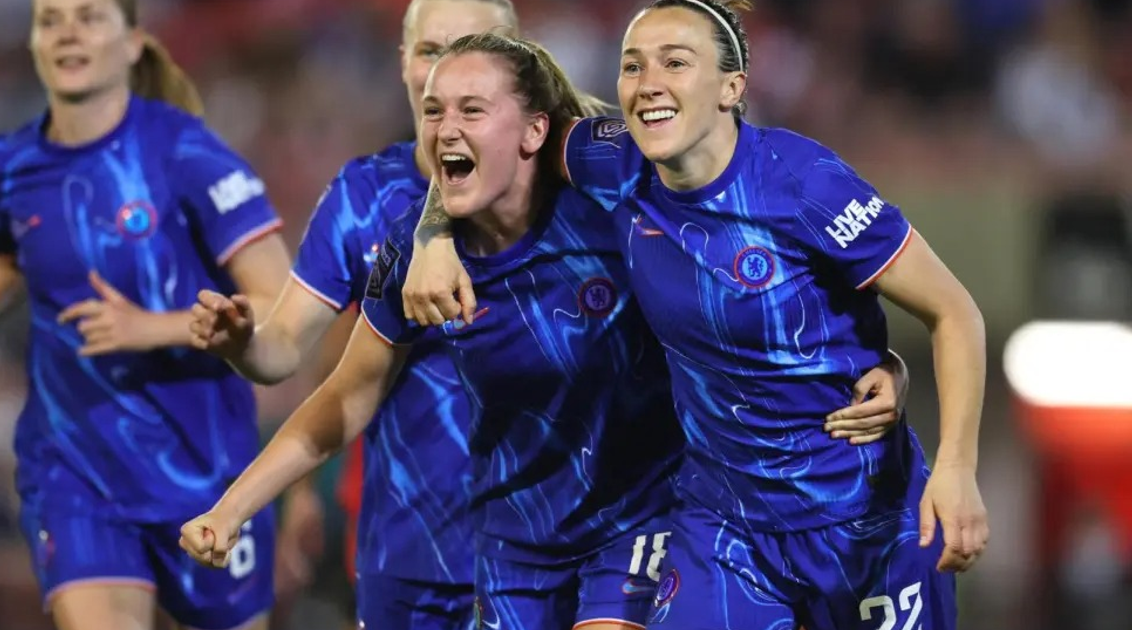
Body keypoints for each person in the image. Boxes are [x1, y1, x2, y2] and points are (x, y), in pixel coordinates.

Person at [181, 32, 909, 630]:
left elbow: (753, 269)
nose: (445, 128)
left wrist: (884, 365)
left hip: (646, 517)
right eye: (433, 112)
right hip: (514, 543)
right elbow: (346, 396)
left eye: (472, 108)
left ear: (536, 130)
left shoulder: (615, 196)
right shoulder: (411, 250)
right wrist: (232, 508)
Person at [399, 2, 990, 629]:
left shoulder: (806, 185)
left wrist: (956, 466)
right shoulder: (613, 161)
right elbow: (485, 135)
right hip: (725, 528)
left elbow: (955, 313)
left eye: (675, 63)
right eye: (632, 65)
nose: (648, 82)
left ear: (732, 88)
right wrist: (432, 237)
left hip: (860, 517)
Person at [0, 1, 290, 629]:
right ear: (34, 45)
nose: (68, 31)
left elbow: (281, 304)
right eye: (51, 19)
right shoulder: (5, 165)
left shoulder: (187, 153)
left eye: (90, 16)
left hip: (204, 470)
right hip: (75, 464)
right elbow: (14, 251)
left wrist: (155, 328)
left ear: (133, 44)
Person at [187, 1, 519, 628]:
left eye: (471, 46)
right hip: (407, 558)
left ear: (519, 61)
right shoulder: (364, 199)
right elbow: (291, 351)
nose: (447, 70)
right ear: (402, 64)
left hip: (546, 554)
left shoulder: (576, 188)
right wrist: (243, 343)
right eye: (429, 51)